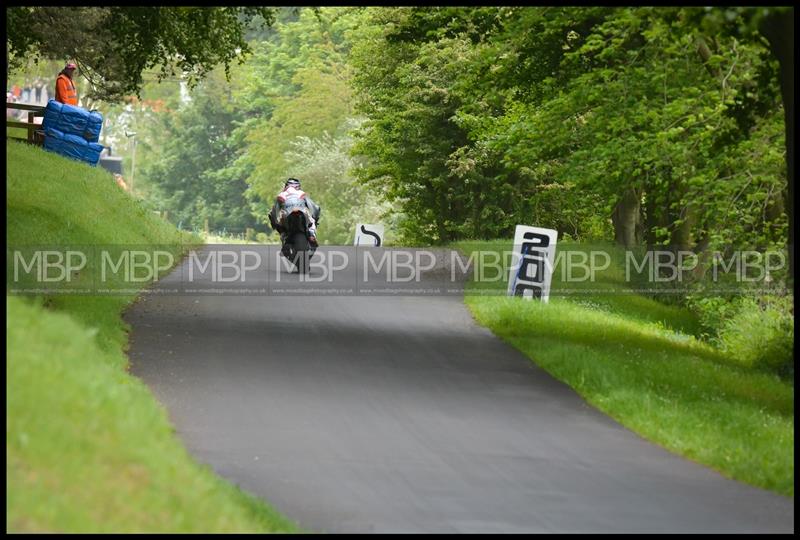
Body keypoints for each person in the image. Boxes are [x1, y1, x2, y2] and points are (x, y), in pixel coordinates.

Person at [269, 177, 321, 248]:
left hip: (286, 215)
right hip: (302, 213)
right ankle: (311, 235)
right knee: (311, 221)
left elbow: (273, 212)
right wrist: (315, 219)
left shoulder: (281, 194)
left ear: (286, 186)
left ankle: (284, 237)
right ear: (298, 186)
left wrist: (275, 224)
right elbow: (315, 207)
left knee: (281, 226)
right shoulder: (301, 193)